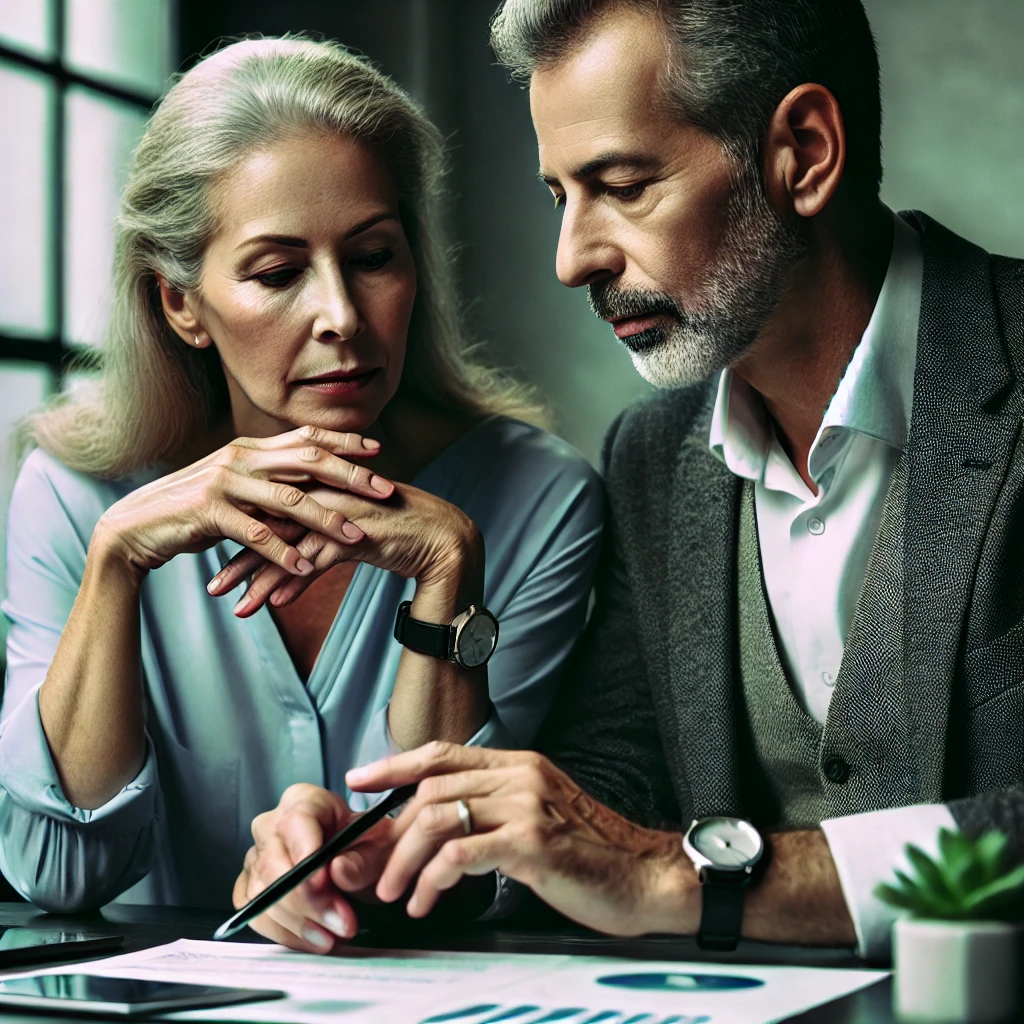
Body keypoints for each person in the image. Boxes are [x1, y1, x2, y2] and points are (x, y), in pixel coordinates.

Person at [240, 0, 1024, 960]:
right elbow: (612, 794)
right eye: (560, 198)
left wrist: (685, 877)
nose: (573, 259)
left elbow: (643, 859)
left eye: (622, 186)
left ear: (806, 153)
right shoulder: (654, 457)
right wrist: (411, 860)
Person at [0, 36, 603, 931]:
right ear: (181, 304)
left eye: (373, 257)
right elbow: (58, 871)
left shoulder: (540, 499)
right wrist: (116, 561)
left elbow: (454, 874)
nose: (342, 317)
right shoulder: (74, 495)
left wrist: (448, 566)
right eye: (279, 273)